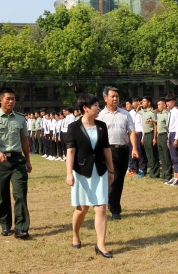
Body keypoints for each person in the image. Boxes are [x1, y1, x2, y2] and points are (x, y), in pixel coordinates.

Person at [65, 93, 114, 258]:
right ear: (85, 108)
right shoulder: (73, 127)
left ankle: (101, 244)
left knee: (101, 208)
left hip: (99, 170)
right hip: (81, 172)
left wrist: (111, 170)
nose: (99, 108)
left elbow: (106, 149)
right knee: (82, 209)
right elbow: (71, 151)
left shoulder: (101, 126)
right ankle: (75, 235)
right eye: (96, 106)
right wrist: (69, 174)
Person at [0, 87, 32, 238]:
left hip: (17, 160)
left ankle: (21, 228)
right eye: (8, 99)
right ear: (0, 100)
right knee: (3, 194)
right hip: (0, 161)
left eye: (13, 99)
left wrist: (28, 160)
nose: (11, 101)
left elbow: (24, 141)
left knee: (20, 193)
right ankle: (5, 224)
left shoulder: (20, 118)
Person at [97, 86, 138, 220]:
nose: (115, 99)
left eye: (117, 96)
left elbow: (131, 131)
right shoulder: (101, 115)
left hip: (123, 150)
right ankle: (115, 209)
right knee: (113, 179)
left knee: (119, 180)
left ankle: (112, 203)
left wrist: (134, 148)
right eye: (112, 96)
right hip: (108, 150)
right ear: (105, 99)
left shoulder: (125, 114)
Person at [140, 97, 159, 179]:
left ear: (149, 103)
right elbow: (137, 111)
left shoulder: (152, 113)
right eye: (142, 101)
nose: (143, 103)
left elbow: (155, 126)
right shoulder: (143, 112)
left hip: (151, 134)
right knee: (148, 155)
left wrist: (154, 138)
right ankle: (152, 172)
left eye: (144, 101)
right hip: (146, 134)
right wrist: (139, 105)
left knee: (152, 154)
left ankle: (155, 173)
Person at [165, 95, 178, 185]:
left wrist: (176, 138)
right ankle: (174, 176)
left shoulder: (176, 112)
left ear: (174, 101)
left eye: (169, 101)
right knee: (172, 157)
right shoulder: (170, 113)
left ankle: (177, 177)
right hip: (170, 134)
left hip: (175, 133)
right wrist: (168, 139)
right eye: (167, 101)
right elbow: (169, 127)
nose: (168, 103)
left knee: (176, 156)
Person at [155, 98, 173, 183]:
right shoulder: (160, 114)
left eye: (159, 104)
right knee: (162, 156)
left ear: (164, 105)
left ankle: (168, 175)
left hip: (164, 135)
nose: (158, 106)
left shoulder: (166, 114)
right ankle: (164, 174)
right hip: (159, 135)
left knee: (166, 156)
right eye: (158, 105)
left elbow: (167, 127)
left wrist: (168, 139)